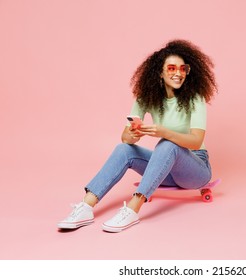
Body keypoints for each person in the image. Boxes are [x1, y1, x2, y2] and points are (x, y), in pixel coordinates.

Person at [57, 39, 218, 232]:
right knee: (124, 149)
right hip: (164, 170)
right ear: (160, 71)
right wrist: (133, 133)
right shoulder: (146, 98)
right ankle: (85, 207)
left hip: (195, 170)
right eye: (172, 68)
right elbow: (126, 139)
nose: (178, 73)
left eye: (183, 69)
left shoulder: (195, 98)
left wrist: (164, 132)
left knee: (167, 144)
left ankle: (132, 210)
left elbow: (196, 141)